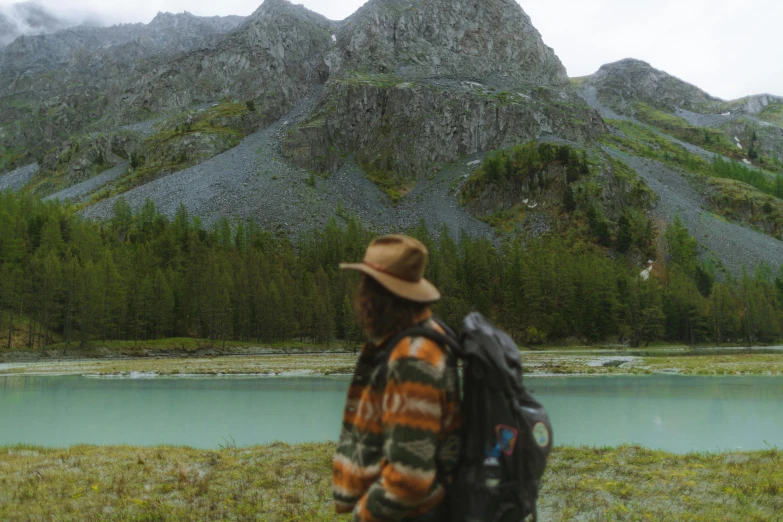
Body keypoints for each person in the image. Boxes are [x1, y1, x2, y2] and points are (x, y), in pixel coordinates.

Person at [333, 234, 461, 522]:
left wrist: (363, 516)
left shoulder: (414, 358)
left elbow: (410, 477)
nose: (360, 294)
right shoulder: (422, 333)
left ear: (380, 296)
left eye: (366, 284)